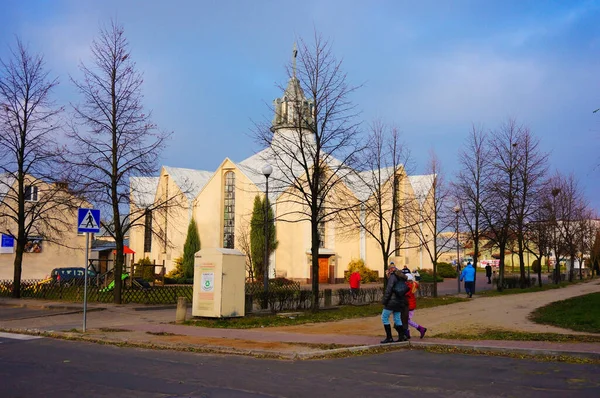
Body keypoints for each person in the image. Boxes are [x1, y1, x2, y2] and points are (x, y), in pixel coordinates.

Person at [380, 264, 408, 343]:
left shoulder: (392, 277)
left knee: (384, 317)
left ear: (390, 270)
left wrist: (384, 301)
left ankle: (389, 338)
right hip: (400, 301)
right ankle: (402, 336)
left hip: (392, 302)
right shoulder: (401, 276)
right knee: (397, 318)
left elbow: (389, 290)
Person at [405, 272, 427, 339]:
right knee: (406, 320)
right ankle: (407, 333)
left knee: (407, 320)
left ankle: (420, 328)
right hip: (412, 304)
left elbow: (404, 294)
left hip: (408, 305)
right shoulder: (414, 285)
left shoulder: (408, 286)